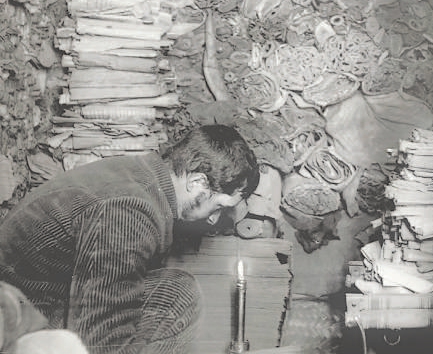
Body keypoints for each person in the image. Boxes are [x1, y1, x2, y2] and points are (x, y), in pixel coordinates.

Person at [0, 125, 259, 354]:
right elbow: (99, 339)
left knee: (175, 289)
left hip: (39, 298)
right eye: (218, 206)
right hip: (18, 318)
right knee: (176, 299)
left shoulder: (140, 175)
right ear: (197, 182)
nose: (214, 219)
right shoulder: (130, 210)